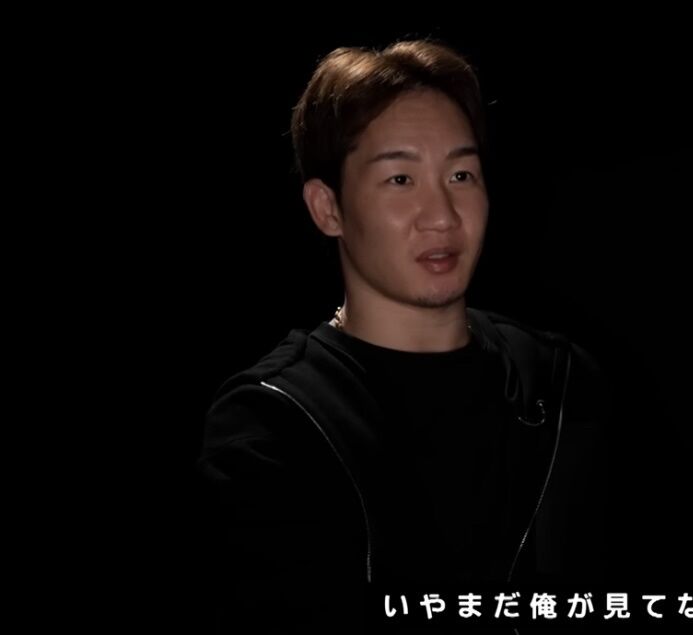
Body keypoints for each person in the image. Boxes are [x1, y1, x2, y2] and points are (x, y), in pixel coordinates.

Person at [194, 39, 609, 631]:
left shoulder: (561, 382)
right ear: (327, 208)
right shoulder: (275, 422)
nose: (442, 215)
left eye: (461, 174)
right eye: (400, 179)